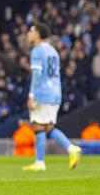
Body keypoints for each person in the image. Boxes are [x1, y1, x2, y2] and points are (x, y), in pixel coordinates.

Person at [22, 23, 82, 172]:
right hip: (55, 92)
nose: (28, 33)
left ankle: (40, 162)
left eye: (31, 31)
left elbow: (37, 75)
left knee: (37, 126)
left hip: (42, 92)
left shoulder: (37, 51)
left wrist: (31, 95)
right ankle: (71, 148)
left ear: (38, 34)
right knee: (48, 127)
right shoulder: (53, 50)